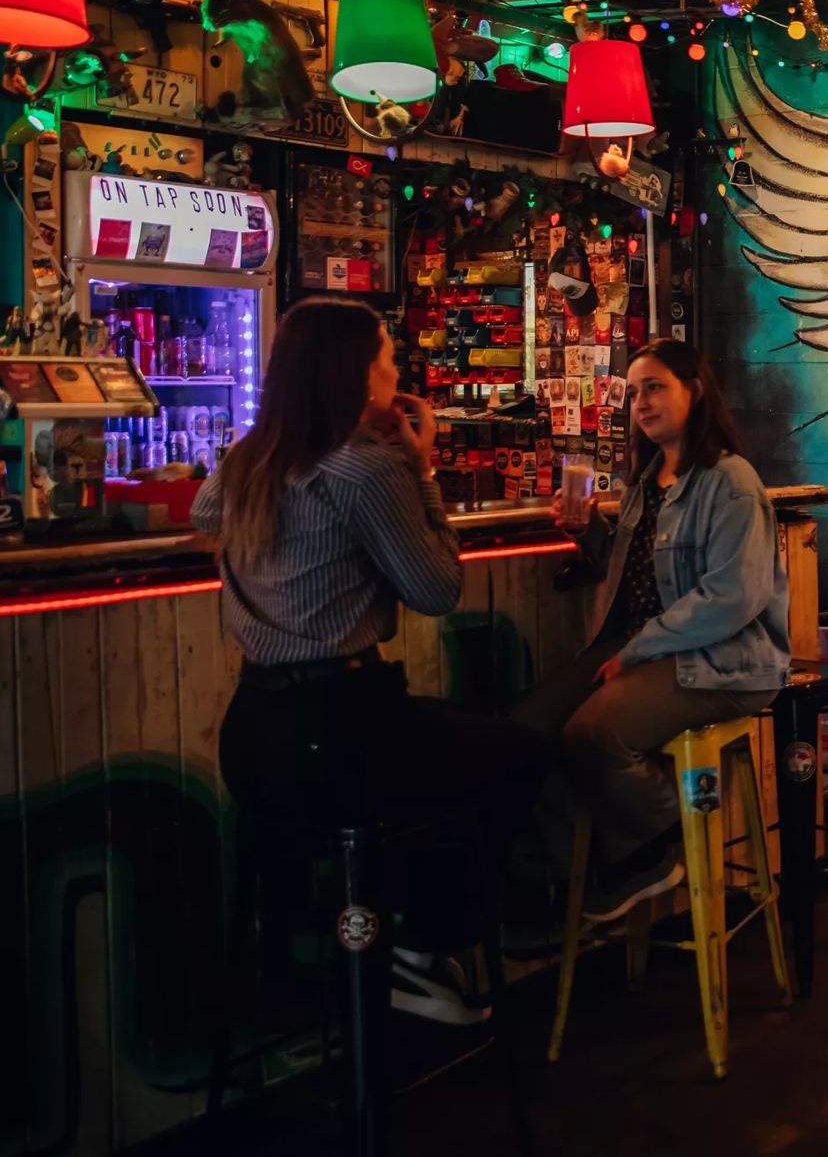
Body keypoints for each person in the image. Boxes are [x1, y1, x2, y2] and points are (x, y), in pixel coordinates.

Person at [193, 297, 546, 1025]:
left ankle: (367, 956)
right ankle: (418, 950)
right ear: (357, 374)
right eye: (388, 356)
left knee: (443, 748)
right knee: (520, 754)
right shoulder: (367, 470)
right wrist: (422, 471)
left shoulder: (245, 458)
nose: (397, 368)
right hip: (340, 733)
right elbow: (437, 589)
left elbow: (202, 517)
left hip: (255, 737)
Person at [516, 338, 789, 922]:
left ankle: (657, 844)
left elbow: (732, 597)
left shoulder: (729, 482)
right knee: (526, 731)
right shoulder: (646, 480)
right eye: (633, 392)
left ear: (694, 390)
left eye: (655, 387)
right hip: (643, 647)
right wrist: (588, 534)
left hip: (723, 658)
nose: (640, 402)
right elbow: (634, 568)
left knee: (594, 732)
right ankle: (570, 880)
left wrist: (640, 649)